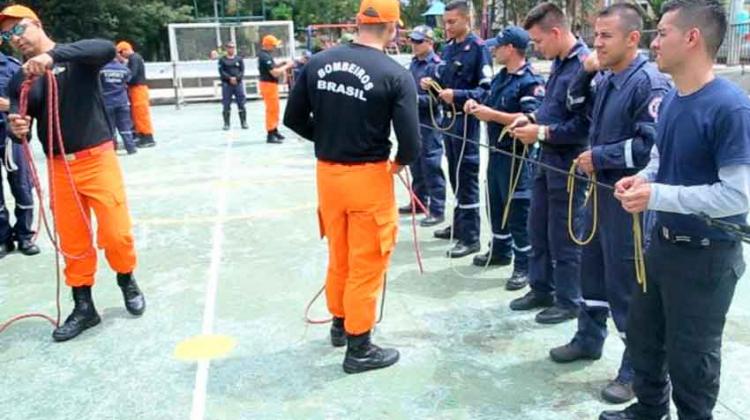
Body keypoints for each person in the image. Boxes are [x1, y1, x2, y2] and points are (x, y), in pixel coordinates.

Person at [607, 0, 750, 418]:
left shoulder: (730, 107)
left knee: (693, 361)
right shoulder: (672, 99)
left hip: (707, 256)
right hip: (663, 246)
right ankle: (650, 411)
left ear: (692, 38)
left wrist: (659, 196)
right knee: (644, 340)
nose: (655, 43)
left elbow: (738, 196)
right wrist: (644, 179)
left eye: (663, 33)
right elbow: (658, 158)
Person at [283, 0, 420, 374]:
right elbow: (411, 143)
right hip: (368, 177)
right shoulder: (394, 73)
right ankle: (359, 347)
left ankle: (340, 324)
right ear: (392, 29)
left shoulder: (317, 63)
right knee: (367, 263)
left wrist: (326, 138)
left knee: (340, 253)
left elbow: (292, 118)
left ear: (358, 23)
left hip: (328, 176)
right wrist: (398, 164)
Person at [548, 3, 670, 405]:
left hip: (627, 201)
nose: (596, 43)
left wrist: (602, 157)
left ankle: (636, 369)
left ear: (633, 39)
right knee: (593, 274)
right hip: (597, 197)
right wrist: (584, 71)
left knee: (628, 287)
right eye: (595, 34)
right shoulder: (604, 77)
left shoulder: (647, 84)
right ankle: (588, 338)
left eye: (606, 36)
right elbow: (573, 106)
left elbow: (650, 146)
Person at [2, 4, 145, 342]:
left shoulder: (77, 58)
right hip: (58, 165)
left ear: (36, 24)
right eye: (6, 35)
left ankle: (126, 278)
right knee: (72, 240)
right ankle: (84, 306)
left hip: (97, 158)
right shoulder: (20, 78)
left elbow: (106, 48)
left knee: (115, 233)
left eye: (19, 29)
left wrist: (53, 57)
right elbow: (19, 123)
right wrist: (16, 128)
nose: (14, 39)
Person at [508, 2, 591, 324]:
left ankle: (569, 299)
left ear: (556, 32)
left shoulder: (585, 67)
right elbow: (552, 108)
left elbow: (585, 126)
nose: (536, 49)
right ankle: (540, 286)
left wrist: (540, 131)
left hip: (570, 166)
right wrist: (529, 118)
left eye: (539, 42)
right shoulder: (559, 63)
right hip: (546, 159)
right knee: (538, 227)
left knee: (565, 234)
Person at [463, 26, 544, 290]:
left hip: (517, 158)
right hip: (497, 155)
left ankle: (524, 265)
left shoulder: (530, 80)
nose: (493, 50)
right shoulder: (501, 78)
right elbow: (487, 100)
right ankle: (500, 250)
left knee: (518, 210)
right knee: (495, 203)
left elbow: (530, 118)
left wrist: (492, 115)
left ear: (511, 48)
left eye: (497, 46)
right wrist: (474, 106)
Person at [421, 0, 492, 258]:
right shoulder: (449, 48)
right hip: (448, 121)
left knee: (467, 176)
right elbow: (444, 80)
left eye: (452, 22)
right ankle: (461, 224)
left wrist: (459, 95)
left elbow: (486, 91)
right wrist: (432, 83)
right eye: (445, 22)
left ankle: (471, 237)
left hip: (466, 122)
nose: (447, 27)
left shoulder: (478, 49)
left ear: (466, 20)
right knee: (455, 175)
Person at [401, 25, 446, 228]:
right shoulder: (414, 64)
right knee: (415, 164)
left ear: (430, 43)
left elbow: (439, 99)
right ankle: (418, 202)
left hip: (430, 123)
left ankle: (437, 210)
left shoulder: (436, 66)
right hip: (414, 121)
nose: (414, 45)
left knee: (431, 166)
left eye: (418, 41)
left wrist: (412, 100)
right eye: (412, 40)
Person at [0, 47, 38, 259]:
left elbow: (28, 100)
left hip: (11, 135)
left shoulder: (14, 67)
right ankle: (3, 238)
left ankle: (24, 235)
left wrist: (7, 105)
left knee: (22, 185)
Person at [116, 41, 156, 148]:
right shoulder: (135, 58)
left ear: (125, 50)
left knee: (141, 114)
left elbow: (131, 75)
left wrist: (122, 79)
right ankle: (142, 136)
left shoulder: (134, 58)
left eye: (120, 52)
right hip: (136, 89)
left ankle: (147, 137)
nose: (120, 55)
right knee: (137, 114)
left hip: (138, 89)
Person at [258, 34, 293, 144]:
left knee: (275, 108)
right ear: (268, 45)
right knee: (271, 109)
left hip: (270, 85)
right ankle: (270, 133)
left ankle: (274, 129)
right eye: (273, 45)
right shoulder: (264, 56)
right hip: (268, 85)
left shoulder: (266, 55)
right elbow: (275, 73)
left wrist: (281, 63)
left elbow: (272, 66)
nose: (275, 47)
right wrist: (287, 66)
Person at [100, 57, 138, 155]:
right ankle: (131, 148)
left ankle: (113, 149)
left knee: (110, 128)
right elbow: (128, 80)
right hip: (122, 101)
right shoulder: (124, 69)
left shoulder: (102, 69)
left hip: (107, 101)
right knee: (125, 126)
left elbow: (99, 84)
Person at [218, 41, 247, 131]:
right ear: (226, 49)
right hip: (227, 84)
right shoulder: (222, 60)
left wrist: (236, 78)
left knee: (241, 103)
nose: (231, 49)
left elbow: (242, 71)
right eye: (229, 47)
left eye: (233, 47)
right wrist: (230, 78)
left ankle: (243, 122)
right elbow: (221, 71)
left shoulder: (239, 59)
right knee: (226, 104)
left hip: (238, 84)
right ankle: (226, 123)